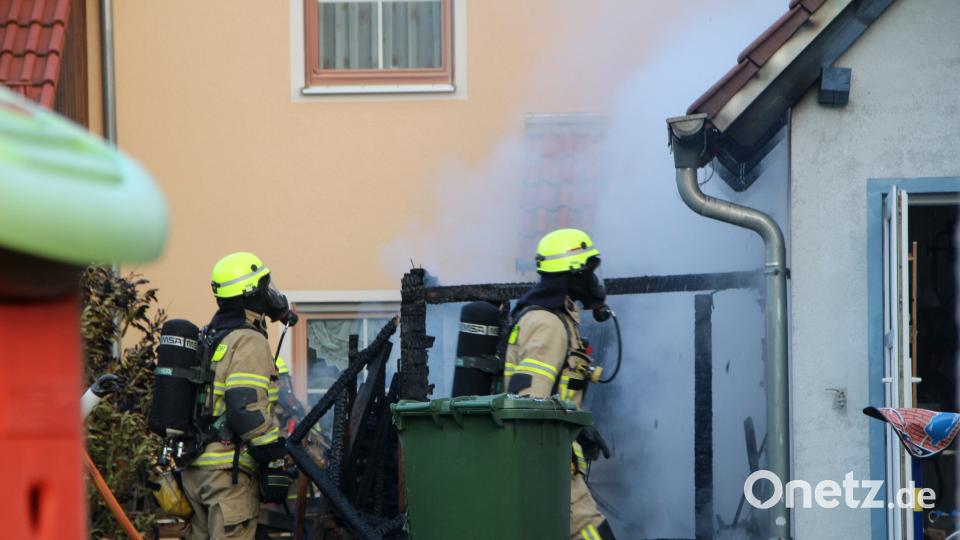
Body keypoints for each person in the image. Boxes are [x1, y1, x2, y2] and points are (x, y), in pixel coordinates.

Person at [504, 228, 616, 540]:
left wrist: (580, 428)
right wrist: (553, 457)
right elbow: (531, 405)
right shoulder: (546, 323)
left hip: (554, 458)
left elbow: (556, 393)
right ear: (573, 274)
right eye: (589, 271)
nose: (595, 280)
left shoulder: (556, 318)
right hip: (549, 464)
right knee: (590, 532)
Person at [181, 252, 296, 539]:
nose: (269, 294)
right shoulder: (248, 340)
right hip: (227, 474)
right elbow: (245, 409)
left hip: (196, 471)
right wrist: (274, 455)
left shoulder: (210, 335)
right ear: (251, 294)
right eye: (263, 286)